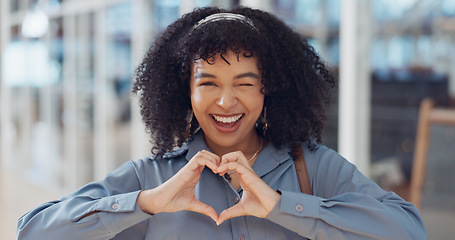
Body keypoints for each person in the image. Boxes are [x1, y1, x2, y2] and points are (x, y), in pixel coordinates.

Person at [17, 6, 426, 240]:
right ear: (186, 91)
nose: (226, 100)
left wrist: (287, 207)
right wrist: (145, 204)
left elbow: (409, 232)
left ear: (267, 88)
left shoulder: (314, 169)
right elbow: (32, 232)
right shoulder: (154, 178)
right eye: (208, 82)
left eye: (244, 83)